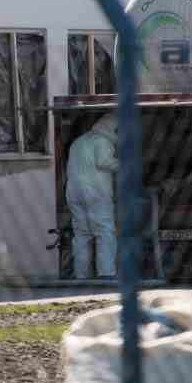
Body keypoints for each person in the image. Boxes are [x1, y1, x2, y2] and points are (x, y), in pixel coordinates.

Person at [66, 113, 119, 280]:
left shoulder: (79, 142)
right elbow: (104, 162)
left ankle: (81, 276)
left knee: (82, 234)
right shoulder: (103, 141)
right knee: (105, 232)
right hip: (96, 194)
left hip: (74, 193)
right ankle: (107, 274)